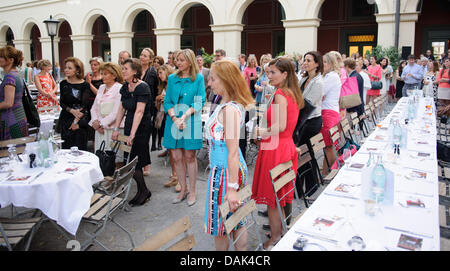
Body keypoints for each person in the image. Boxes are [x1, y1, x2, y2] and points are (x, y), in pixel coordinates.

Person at [252, 57, 304, 250]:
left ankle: (275, 238)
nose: (269, 76)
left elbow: (280, 126)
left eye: (273, 72)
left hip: (276, 148)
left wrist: (260, 132)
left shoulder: (281, 93)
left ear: (285, 74)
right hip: (284, 145)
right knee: (279, 195)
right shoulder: (292, 93)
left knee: (273, 198)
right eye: (268, 72)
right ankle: (278, 231)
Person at [204, 60, 254, 250]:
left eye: (213, 79)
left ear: (225, 80)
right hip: (227, 168)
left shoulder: (230, 109)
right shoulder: (228, 105)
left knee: (222, 224)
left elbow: (232, 152)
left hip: (225, 171)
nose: (210, 83)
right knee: (236, 219)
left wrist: (232, 188)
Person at [163, 49, 205, 206]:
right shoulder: (172, 78)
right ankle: (183, 189)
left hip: (191, 120)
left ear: (190, 61)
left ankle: (192, 191)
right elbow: (167, 101)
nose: (178, 62)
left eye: (181, 60)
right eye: (177, 60)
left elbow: (199, 101)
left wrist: (184, 116)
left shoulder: (198, 78)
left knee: (189, 157)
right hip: (173, 120)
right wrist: (175, 118)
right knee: (176, 157)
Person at [112, 58, 153, 206]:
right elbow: (122, 108)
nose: (123, 71)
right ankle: (143, 191)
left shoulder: (143, 87)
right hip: (129, 125)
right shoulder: (125, 86)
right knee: (130, 160)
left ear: (135, 71)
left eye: (126, 69)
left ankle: (143, 191)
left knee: (135, 161)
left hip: (141, 127)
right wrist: (117, 129)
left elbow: (139, 112)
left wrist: (133, 134)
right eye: (122, 69)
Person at [89, 62, 124, 164]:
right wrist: (95, 123)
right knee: (100, 157)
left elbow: (116, 111)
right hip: (99, 129)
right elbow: (94, 107)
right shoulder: (101, 87)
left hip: (112, 128)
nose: (102, 76)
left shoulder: (119, 88)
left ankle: (114, 179)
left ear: (114, 75)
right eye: (102, 73)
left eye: (105, 74)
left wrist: (101, 124)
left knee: (114, 159)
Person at [58, 57, 91, 150]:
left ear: (77, 70)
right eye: (66, 67)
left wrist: (76, 121)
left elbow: (85, 106)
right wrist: (71, 110)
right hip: (66, 119)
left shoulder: (85, 85)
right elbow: (62, 102)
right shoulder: (63, 83)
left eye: (69, 68)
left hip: (80, 120)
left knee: (80, 149)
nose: (66, 70)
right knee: (66, 148)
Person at [156, 64, 178, 188]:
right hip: (165, 116)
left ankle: (179, 177)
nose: (159, 75)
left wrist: (168, 100)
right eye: (158, 73)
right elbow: (158, 106)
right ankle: (174, 175)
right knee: (170, 148)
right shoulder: (162, 86)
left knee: (177, 150)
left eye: (161, 72)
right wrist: (158, 98)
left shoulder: (174, 84)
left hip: (174, 116)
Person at [320, 52, 342, 175]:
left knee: (328, 146)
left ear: (331, 63)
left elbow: (321, 95)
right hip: (330, 112)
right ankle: (325, 171)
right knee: (327, 146)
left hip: (328, 113)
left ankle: (330, 172)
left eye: (325, 62)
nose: (322, 65)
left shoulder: (331, 76)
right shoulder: (330, 75)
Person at [0, 46, 28, 140]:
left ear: (11, 60)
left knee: (11, 150)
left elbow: (8, 103)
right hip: (19, 115)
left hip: (11, 118)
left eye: (1, 57)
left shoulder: (10, 77)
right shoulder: (17, 74)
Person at [139, 48, 158, 176]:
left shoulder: (152, 73)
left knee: (145, 137)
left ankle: (146, 165)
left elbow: (155, 90)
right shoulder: (137, 70)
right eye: (141, 55)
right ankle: (139, 163)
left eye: (145, 56)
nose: (142, 57)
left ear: (150, 59)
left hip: (148, 108)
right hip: (137, 106)